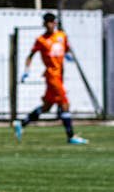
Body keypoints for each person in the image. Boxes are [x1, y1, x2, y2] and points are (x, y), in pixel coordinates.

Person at [14, 12, 88, 145]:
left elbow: (66, 49)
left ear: (55, 23)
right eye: (47, 22)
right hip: (52, 76)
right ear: (44, 24)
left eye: (51, 22)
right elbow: (30, 56)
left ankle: (22, 123)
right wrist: (26, 71)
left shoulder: (61, 36)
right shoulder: (41, 40)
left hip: (60, 75)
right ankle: (71, 136)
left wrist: (67, 56)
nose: (49, 25)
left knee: (47, 107)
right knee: (65, 104)